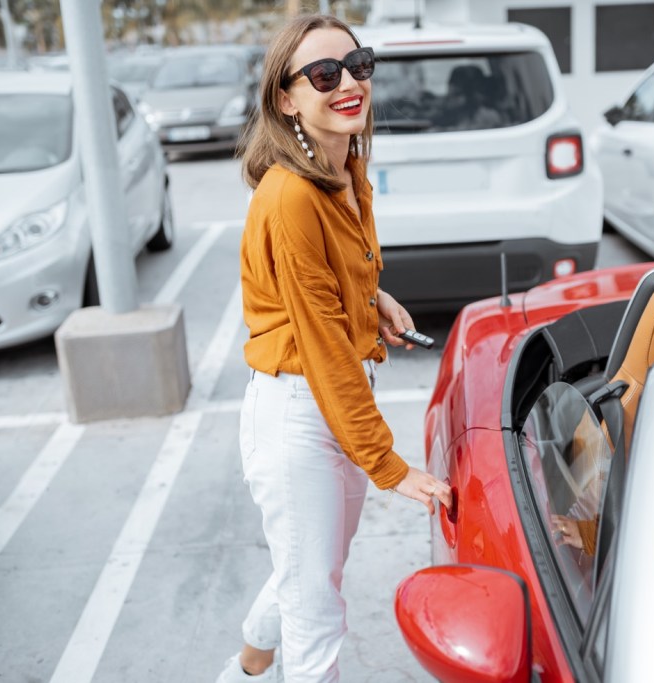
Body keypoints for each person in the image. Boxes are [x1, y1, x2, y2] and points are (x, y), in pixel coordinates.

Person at [217, 14, 454, 683]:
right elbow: (319, 346)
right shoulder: (289, 195)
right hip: (297, 411)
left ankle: (246, 667)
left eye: (359, 64)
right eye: (325, 74)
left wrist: (372, 301)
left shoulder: (346, 164)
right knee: (316, 610)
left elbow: (334, 280)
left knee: (309, 569)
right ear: (287, 98)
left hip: (334, 400)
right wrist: (388, 463)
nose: (348, 83)